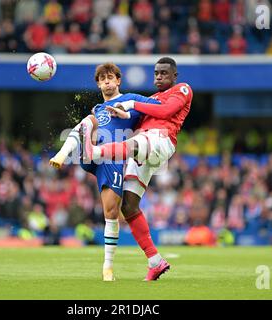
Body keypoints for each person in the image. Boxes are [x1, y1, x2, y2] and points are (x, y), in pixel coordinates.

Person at [80, 57, 193, 280]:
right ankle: (155, 261)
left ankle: (95, 152)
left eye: (164, 73)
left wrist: (130, 104)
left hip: (161, 141)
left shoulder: (183, 89)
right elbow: (139, 122)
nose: (159, 77)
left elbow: (165, 111)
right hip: (145, 144)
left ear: (174, 76)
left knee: (133, 143)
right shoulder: (151, 98)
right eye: (156, 74)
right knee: (129, 206)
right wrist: (124, 115)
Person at [49, 62, 159, 281]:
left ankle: (107, 267)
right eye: (102, 79)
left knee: (110, 213)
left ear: (118, 80)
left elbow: (156, 105)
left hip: (112, 157)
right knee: (87, 122)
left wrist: (134, 116)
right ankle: (62, 154)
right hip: (92, 151)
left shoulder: (132, 100)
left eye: (110, 77)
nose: (107, 81)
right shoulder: (98, 109)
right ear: (99, 85)